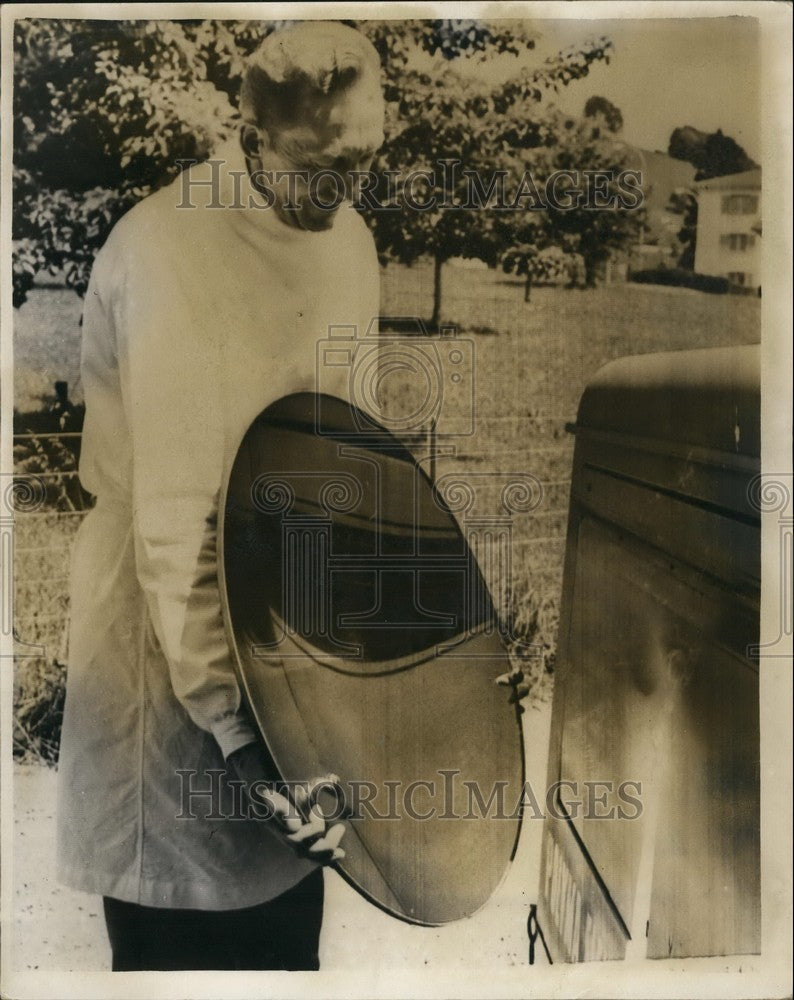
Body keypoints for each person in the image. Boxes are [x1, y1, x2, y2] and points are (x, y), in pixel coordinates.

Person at [56, 21, 385, 971]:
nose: (346, 193)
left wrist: (348, 668)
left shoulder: (347, 235)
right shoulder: (169, 250)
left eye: (363, 165)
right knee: (189, 945)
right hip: (168, 660)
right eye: (324, 166)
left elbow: (346, 458)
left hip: (290, 631)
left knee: (287, 936)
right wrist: (247, 741)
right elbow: (179, 524)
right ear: (252, 137)